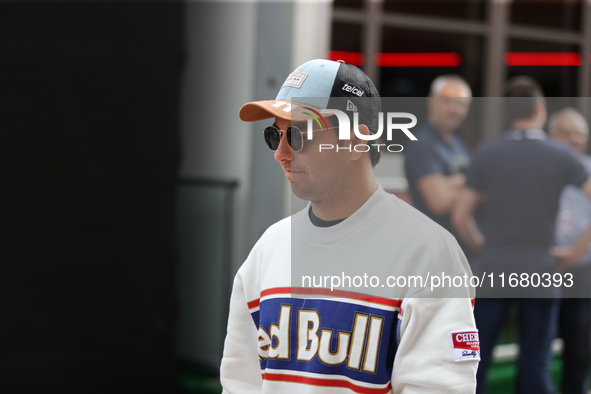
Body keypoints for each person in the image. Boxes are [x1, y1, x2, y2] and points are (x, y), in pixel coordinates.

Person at [220, 59, 479, 393]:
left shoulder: (428, 253)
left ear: (357, 141)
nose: (280, 153)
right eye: (274, 135)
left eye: (297, 135)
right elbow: (241, 383)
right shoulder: (268, 248)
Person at [452, 77, 591, 394]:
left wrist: (483, 246)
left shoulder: (487, 153)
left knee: (477, 362)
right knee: (535, 363)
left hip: (494, 267)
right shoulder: (561, 155)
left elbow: (461, 216)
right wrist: (572, 252)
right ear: (539, 109)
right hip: (541, 268)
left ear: (505, 113)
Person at [548, 108, 591, 394]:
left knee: (580, 346)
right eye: (566, 133)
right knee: (537, 343)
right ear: (551, 136)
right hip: (542, 266)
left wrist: (576, 251)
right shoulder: (539, 167)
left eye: (579, 134)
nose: (574, 139)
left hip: (582, 269)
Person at [404, 75, 472, 238]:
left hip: (461, 246)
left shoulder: (459, 144)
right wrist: (470, 184)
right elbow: (439, 202)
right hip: (435, 245)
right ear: (431, 101)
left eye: (460, 104)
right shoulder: (421, 143)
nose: (454, 109)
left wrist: (451, 184)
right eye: (447, 101)